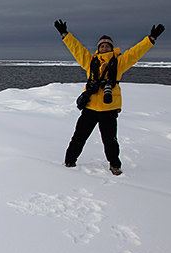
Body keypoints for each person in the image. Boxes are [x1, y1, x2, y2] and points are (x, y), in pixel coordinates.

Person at [54, 19, 165, 175]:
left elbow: (135, 53)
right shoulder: (90, 62)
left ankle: (115, 165)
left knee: (110, 140)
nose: (104, 47)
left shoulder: (119, 63)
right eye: (102, 45)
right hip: (90, 107)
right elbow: (76, 49)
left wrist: (150, 39)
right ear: (98, 49)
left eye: (107, 45)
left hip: (109, 108)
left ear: (111, 48)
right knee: (79, 136)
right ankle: (69, 161)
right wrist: (65, 34)